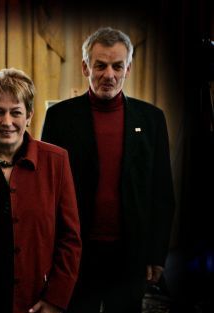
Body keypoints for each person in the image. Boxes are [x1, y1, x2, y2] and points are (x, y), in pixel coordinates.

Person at [41, 27, 176, 313]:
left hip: (131, 252)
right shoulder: (59, 117)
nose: (109, 75)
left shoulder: (151, 119)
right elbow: (46, 189)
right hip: (75, 252)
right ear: (85, 66)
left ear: (129, 68)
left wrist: (157, 255)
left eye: (117, 66)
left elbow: (162, 192)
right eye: (100, 65)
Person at [0, 68, 82, 313]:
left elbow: (70, 239)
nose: (7, 122)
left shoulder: (56, 161)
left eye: (16, 112)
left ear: (29, 116)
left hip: (35, 299)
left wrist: (56, 299)